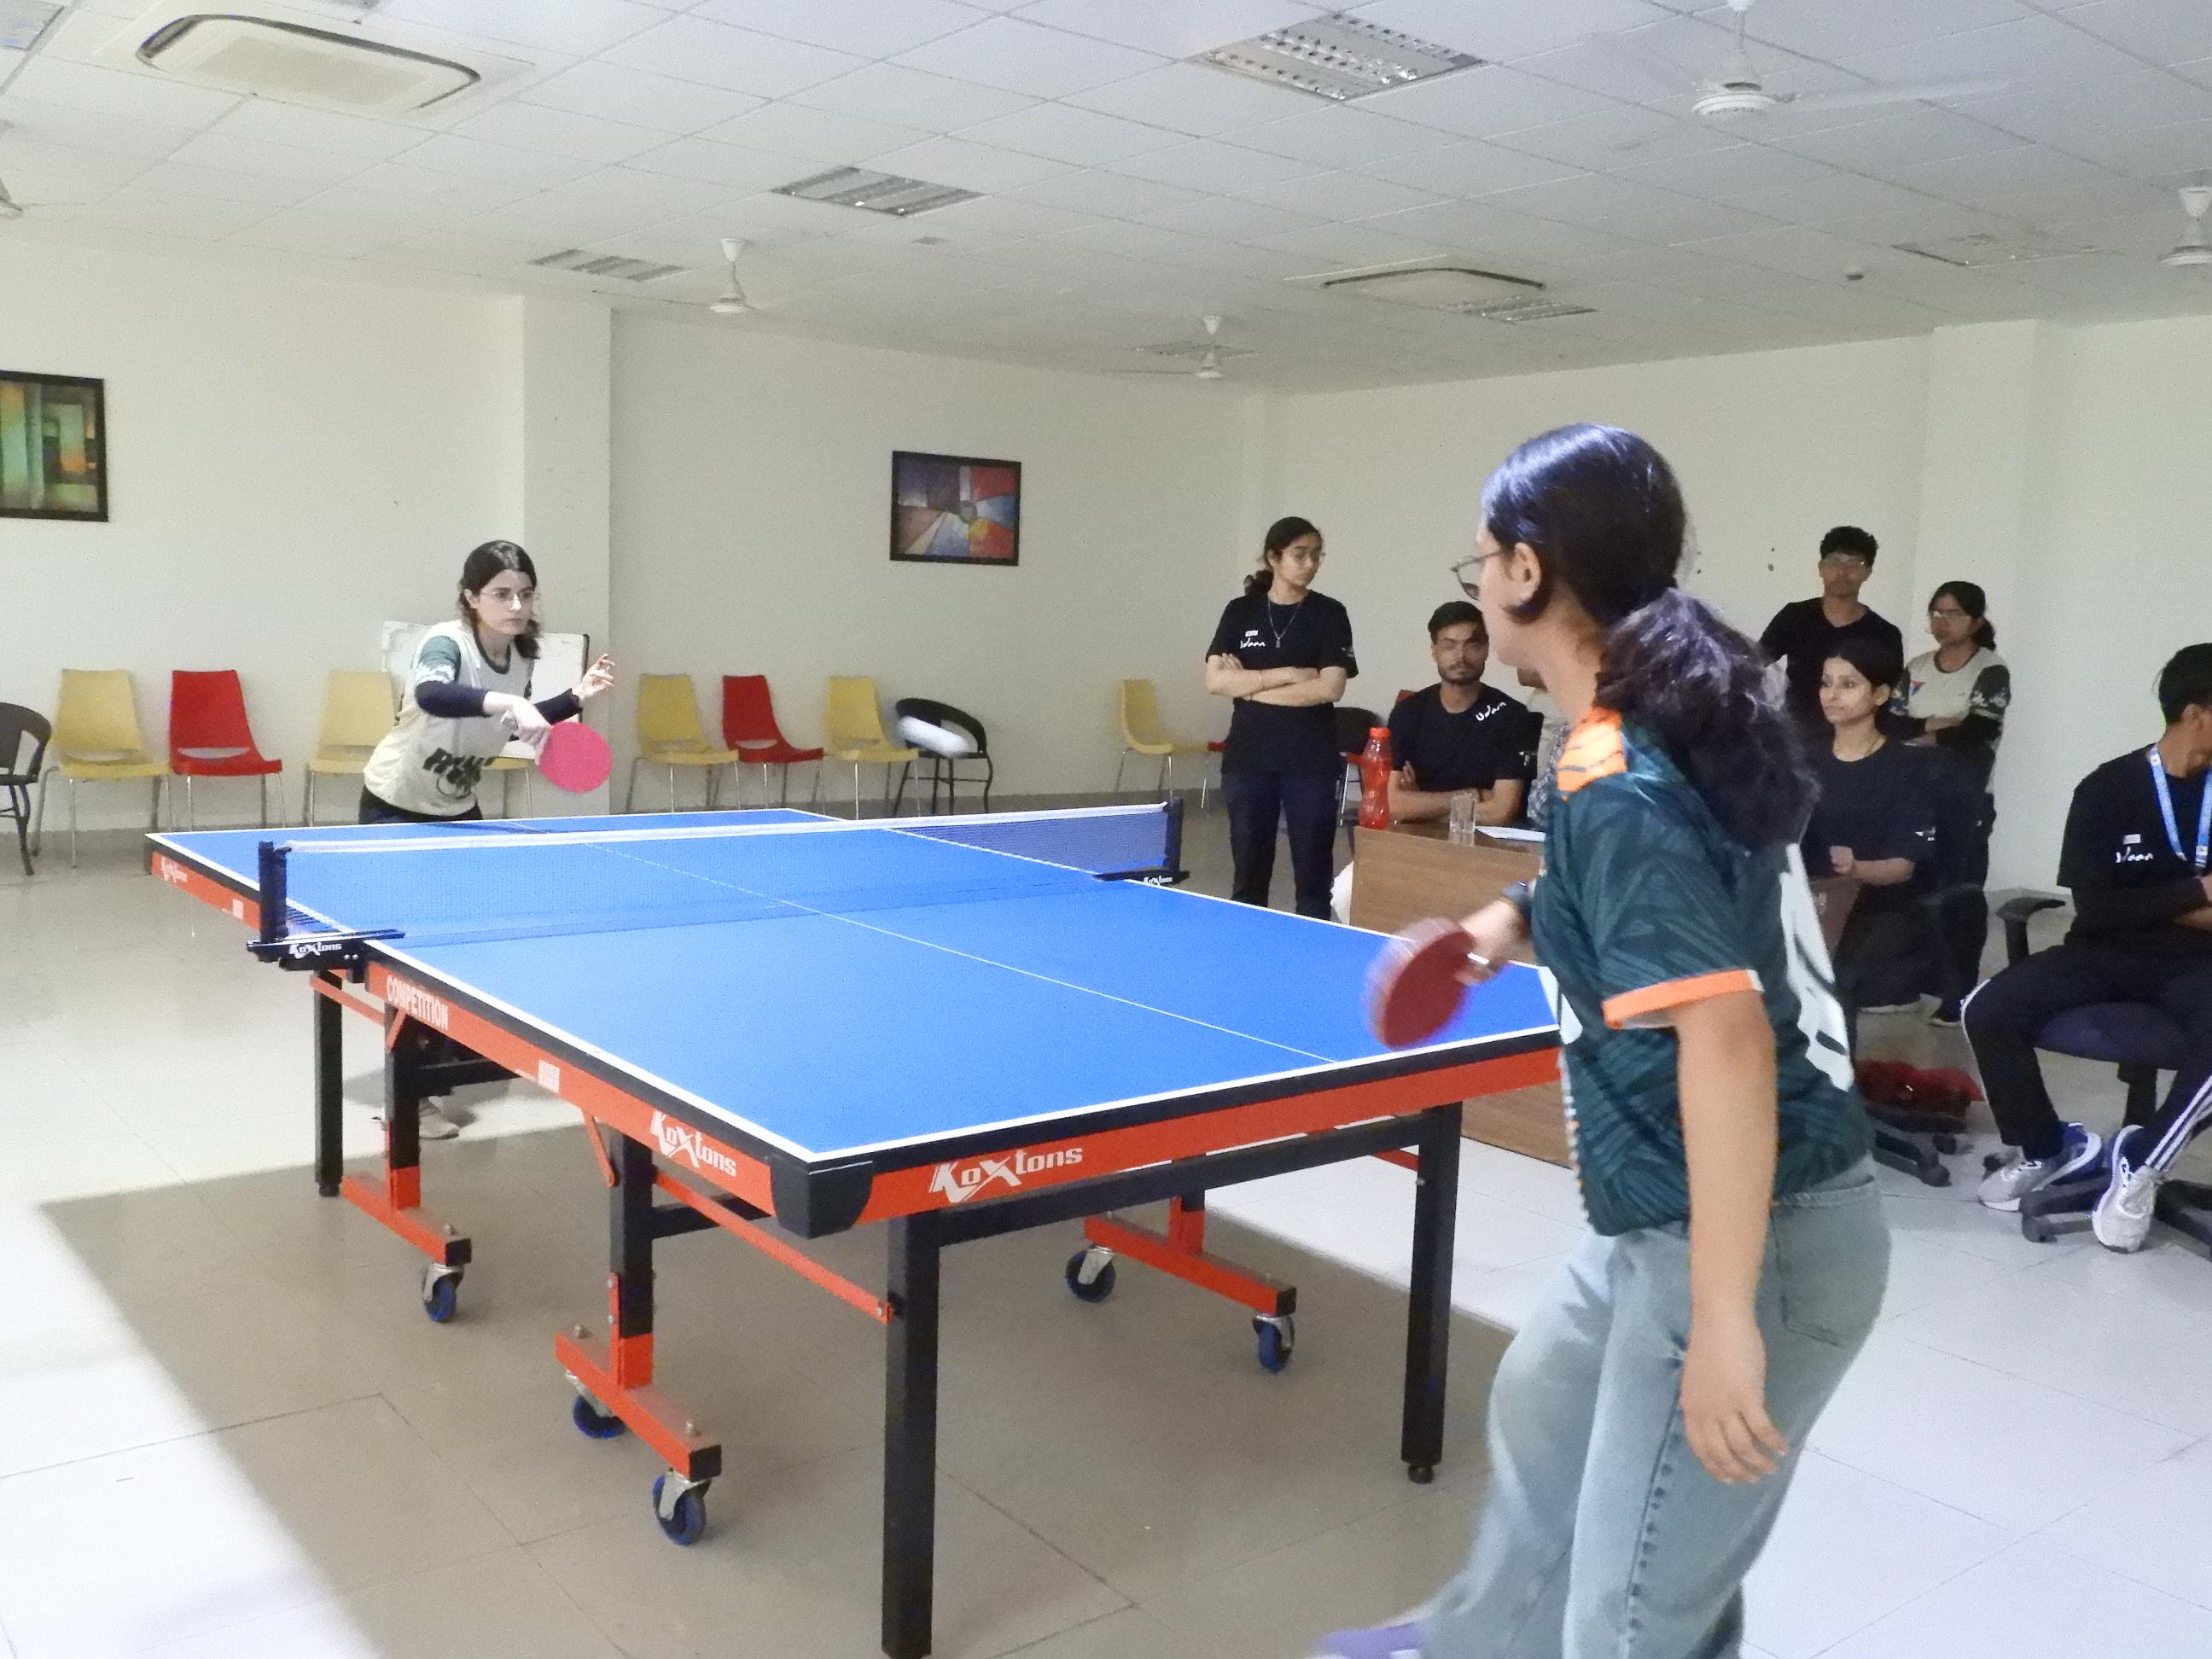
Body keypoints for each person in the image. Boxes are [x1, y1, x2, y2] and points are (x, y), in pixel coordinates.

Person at [1318, 426, 1884, 1659]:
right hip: (1665, 1208)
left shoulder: (1622, 770)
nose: (1476, 586)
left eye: (1479, 562)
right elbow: (1656, 886)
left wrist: (1727, 1319)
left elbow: (1726, 1042)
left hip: (1758, 1229)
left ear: (1526, 573)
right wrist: (1501, 923)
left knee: (1633, 1609)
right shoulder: (1637, 727)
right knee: (1542, 1413)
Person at [361, 539, 615, 1136]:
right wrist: (509, 702)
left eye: (525, 594)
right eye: (502, 594)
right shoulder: (445, 643)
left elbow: (513, 722)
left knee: (468, 943)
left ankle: (445, 1063)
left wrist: (574, 699)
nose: (516, 606)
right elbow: (434, 695)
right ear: (472, 597)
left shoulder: (522, 656)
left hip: (457, 807)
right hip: (397, 806)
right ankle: (406, 1102)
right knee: (410, 955)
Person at [1969, 643, 2212, 1252]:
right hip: (2101, 953)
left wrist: (2146, 900)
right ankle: (2047, 1148)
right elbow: (2097, 908)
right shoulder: (2107, 788)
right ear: (2196, 712)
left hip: (2198, 965)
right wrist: (2198, 891)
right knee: (1986, 1008)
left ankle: (2144, 1165)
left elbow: (2119, 900)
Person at [1204, 516, 1356, 918]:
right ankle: (1249, 944)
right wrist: (1288, 674)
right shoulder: (1240, 612)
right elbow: (1216, 681)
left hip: (1311, 762)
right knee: (1248, 877)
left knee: (1313, 879)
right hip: (1248, 759)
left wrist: (1249, 689)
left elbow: (1329, 689)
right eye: (1299, 555)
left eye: (1316, 556)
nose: (1310, 564)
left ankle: (1313, 945)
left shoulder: (1329, 613)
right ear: (1274, 558)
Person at [1891, 581, 2011, 1022]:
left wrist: (1924, 732)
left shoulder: (1990, 669)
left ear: (1976, 622)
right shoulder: (1918, 666)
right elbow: (1891, 725)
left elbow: (1977, 731)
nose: (1942, 622)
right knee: (1912, 889)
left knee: (1957, 891)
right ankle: (1909, 984)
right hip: (1914, 796)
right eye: (1936, 613)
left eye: (1954, 614)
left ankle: (1958, 994)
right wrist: (1938, 726)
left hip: (1965, 800)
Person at [1802, 639, 1940, 1019]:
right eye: (1826, 683)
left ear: (1879, 694)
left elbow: (1902, 867)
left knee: (1833, 973)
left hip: (1874, 906)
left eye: (1848, 685)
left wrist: (1856, 868)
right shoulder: (1803, 757)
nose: (1832, 695)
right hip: (1809, 897)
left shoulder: (1906, 768)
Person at [1385, 602, 1537, 828]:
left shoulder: (1512, 716)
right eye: (1449, 646)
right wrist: (1474, 794)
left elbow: (1501, 811)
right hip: (1418, 839)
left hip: (1488, 842)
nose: (1460, 656)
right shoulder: (1408, 712)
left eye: (1471, 645)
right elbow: (1395, 805)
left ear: (1486, 650)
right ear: (1434, 652)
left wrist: (1423, 809)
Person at [1758, 526, 1904, 731]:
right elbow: (1753, 662)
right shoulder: (1795, 616)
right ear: (1821, 568)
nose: (1843, 572)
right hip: (1797, 736)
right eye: (1834, 562)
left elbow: (1887, 701)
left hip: (1854, 740)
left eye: (1855, 564)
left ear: (1868, 572)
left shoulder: (1884, 634)